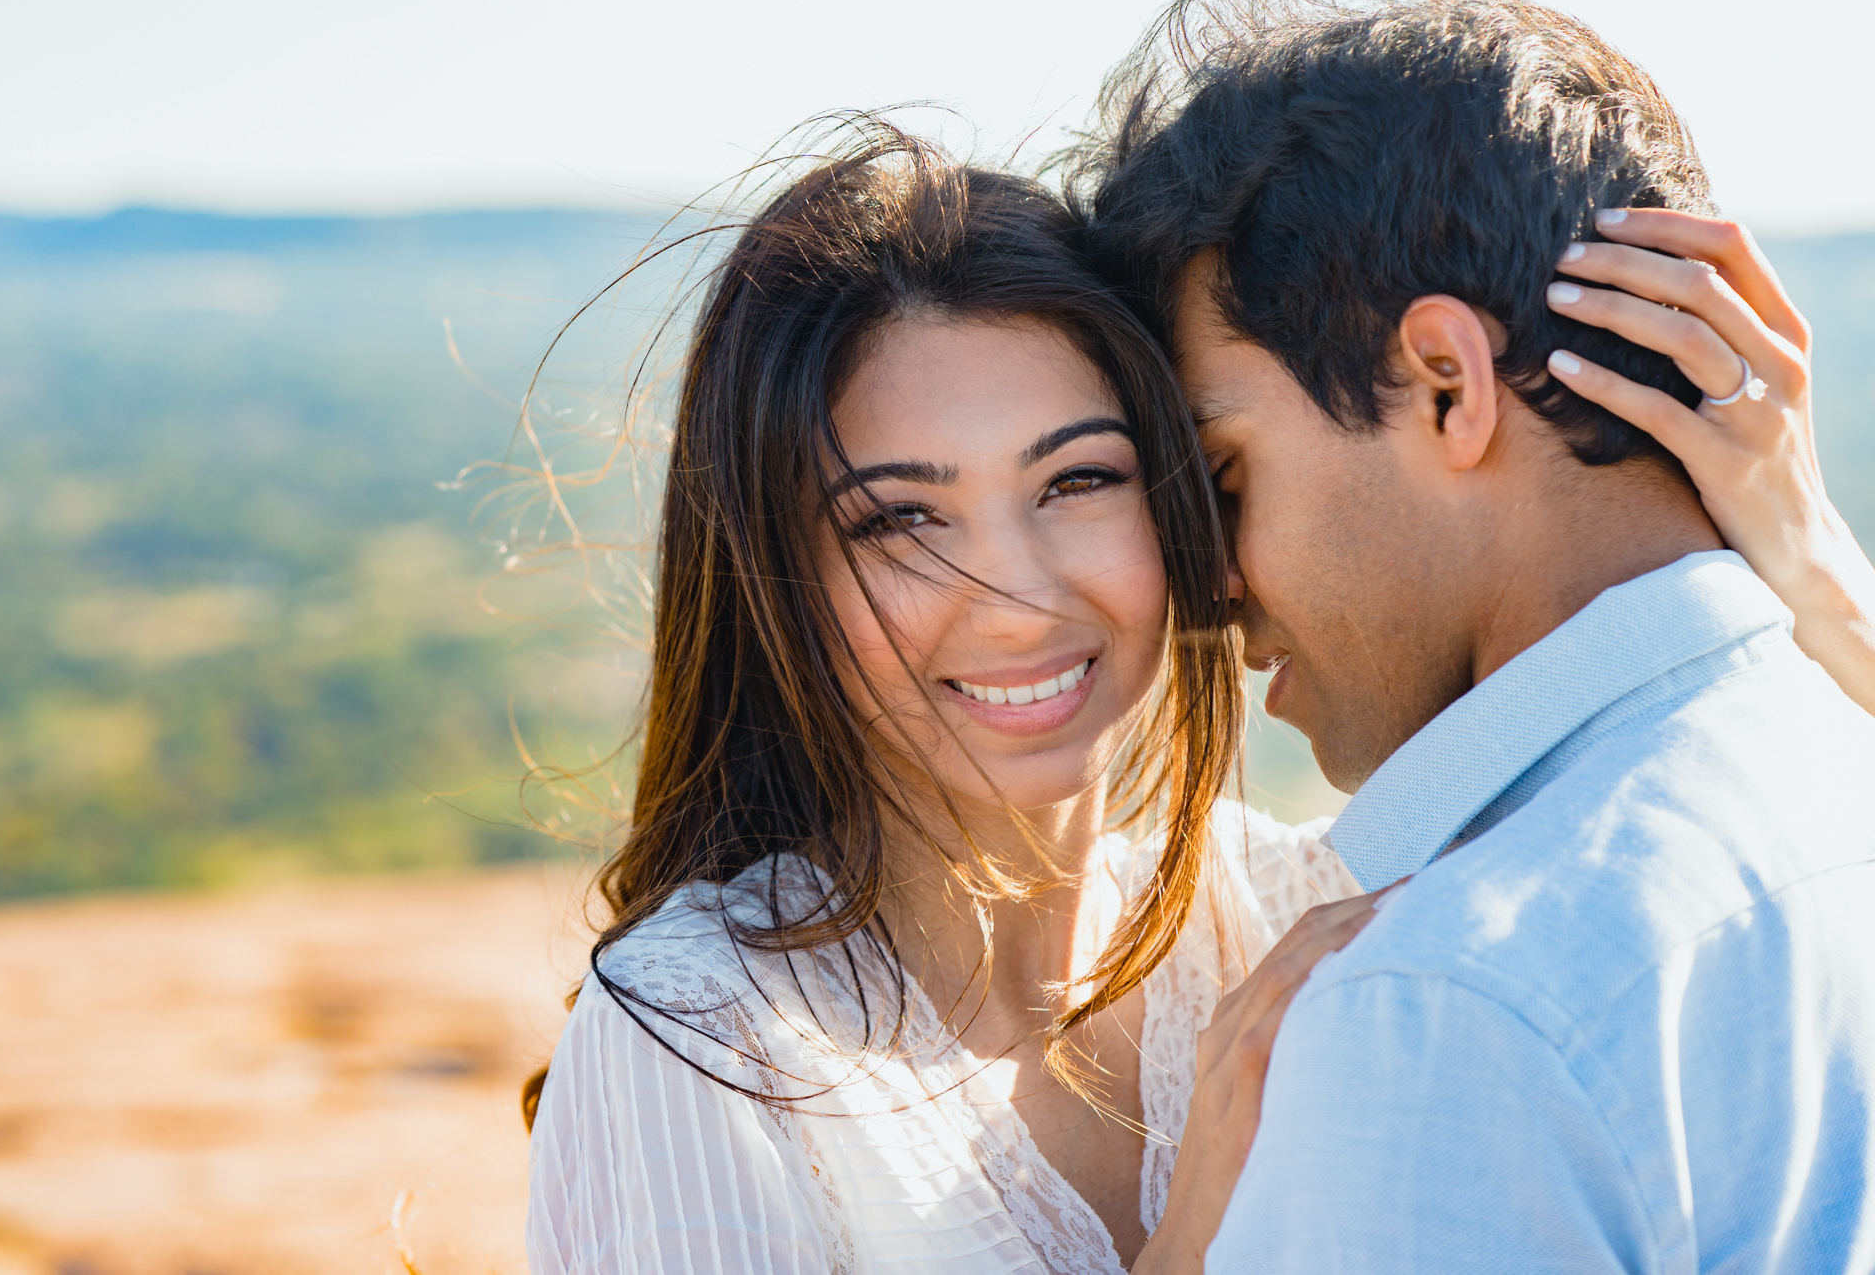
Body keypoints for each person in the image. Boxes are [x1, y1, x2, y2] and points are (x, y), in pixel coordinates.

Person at [1073, 0, 1875, 1271]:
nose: (1203, 587)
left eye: (1226, 479)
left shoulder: (1440, 1014)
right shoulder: (1839, 763)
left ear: (1446, 385)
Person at [526, 136, 1377, 1275]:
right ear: (776, 587)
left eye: (1077, 480)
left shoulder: (1301, 910)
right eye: (900, 521)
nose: (1018, 604)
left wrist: (1700, 534)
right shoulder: (702, 1036)